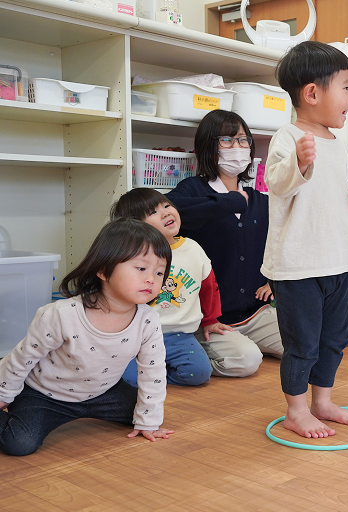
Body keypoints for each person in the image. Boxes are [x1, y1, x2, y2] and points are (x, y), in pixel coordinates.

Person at [265, 41, 348, 438]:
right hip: (298, 266)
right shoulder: (287, 137)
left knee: (335, 338)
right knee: (302, 343)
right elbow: (276, 182)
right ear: (312, 93)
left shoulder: (339, 144)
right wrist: (300, 162)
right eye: (345, 87)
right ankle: (296, 410)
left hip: (338, 261)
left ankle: (322, 401)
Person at [0, 219, 173, 456]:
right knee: (19, 443)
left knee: (148, 413)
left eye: (159, 272)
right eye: (141, 268)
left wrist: (148, 422)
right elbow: (22, 359)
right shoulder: (61, 314)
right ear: (102, 269)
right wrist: (3, 395)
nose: (151, 279)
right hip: (45, 393)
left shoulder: (148, 320)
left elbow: (153, 373)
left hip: (104, 392)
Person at [166, 109, 281, 378]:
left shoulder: (260, 200)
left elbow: (285, 241)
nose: (237, 148)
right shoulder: (192, 190)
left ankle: (245, 343)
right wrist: (230, 201)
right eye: (227, 141)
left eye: (243, 141)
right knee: (247, 360)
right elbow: (168, 213)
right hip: (209, 318)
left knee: (311, 344)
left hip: (255, 313)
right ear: (208, 147)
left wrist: (273, 281)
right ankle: (187, 351)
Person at [111, 188, 222, 387]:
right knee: (130, 381)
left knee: (199, 373)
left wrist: (210, 319)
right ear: (134, 225)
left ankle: (157, 377)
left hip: (179, 335)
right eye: (153, 212)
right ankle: (150, 376)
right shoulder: (131, 256)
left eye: (167, 205)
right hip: (138, 336)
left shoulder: (193, 249)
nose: (166, 212)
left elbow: (209, 287)